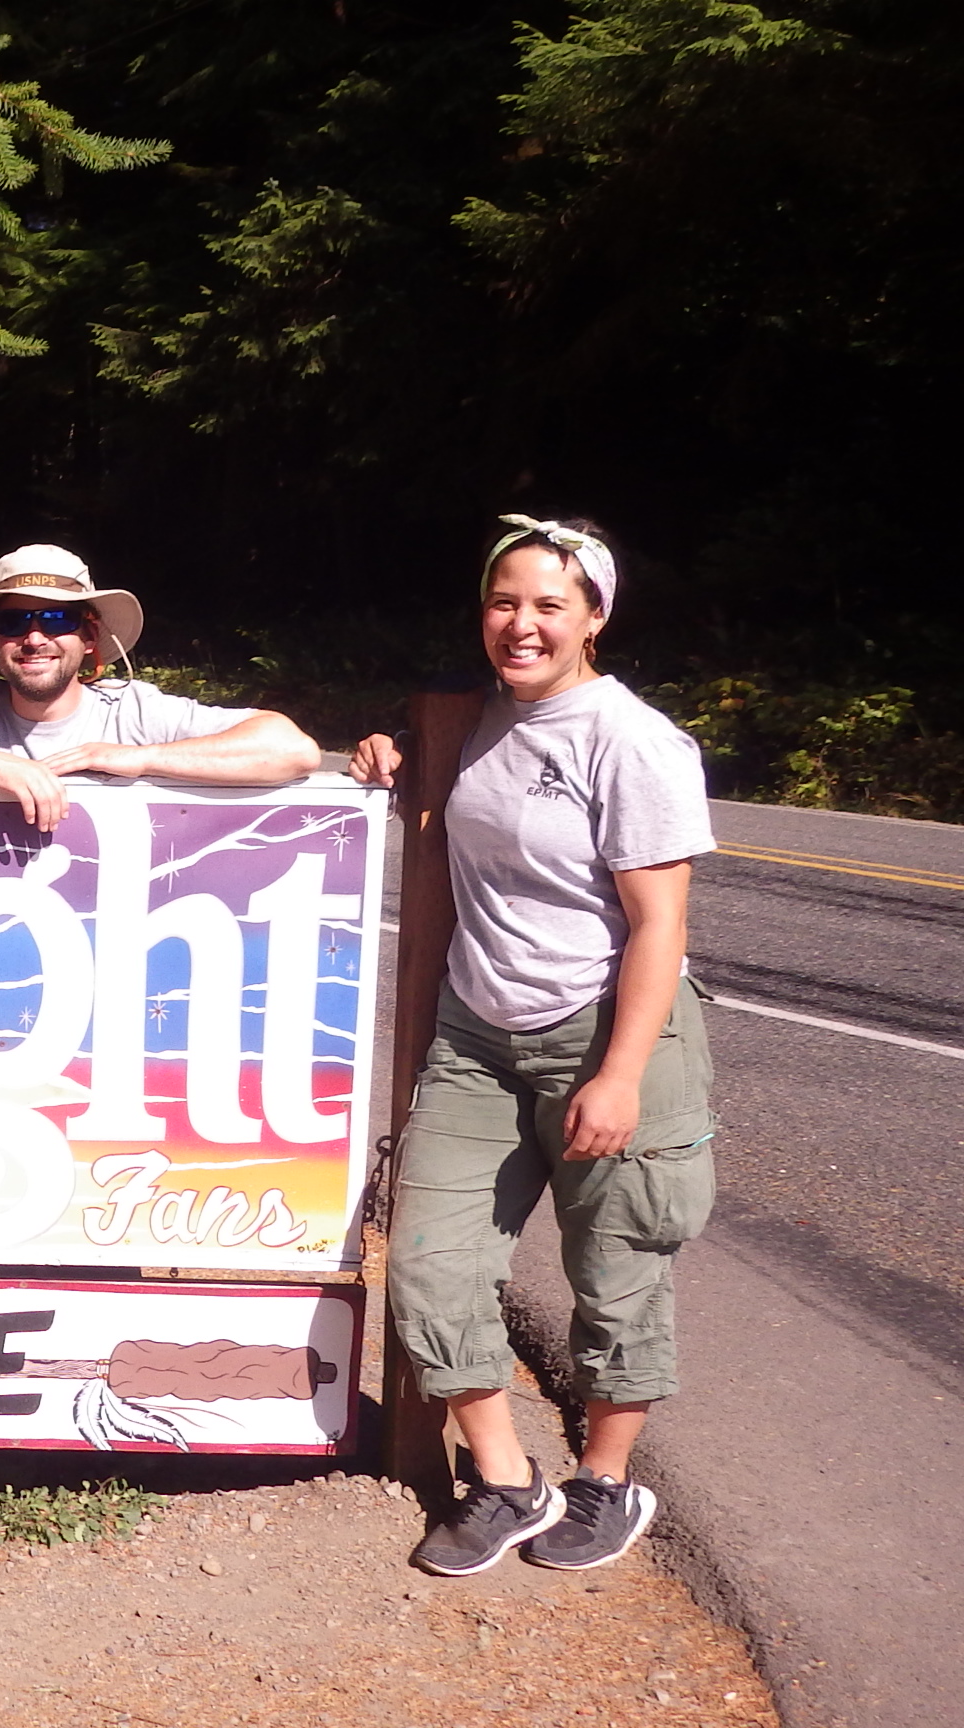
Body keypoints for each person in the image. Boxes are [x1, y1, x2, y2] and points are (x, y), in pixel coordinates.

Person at [349, 516, 716, 1576]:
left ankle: (607, 1480)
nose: (522, 625)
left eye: (550, 605)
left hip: (609, 1031)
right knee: (425, 1263)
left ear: (595, 617)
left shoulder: (633, 740)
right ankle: (510, 1480)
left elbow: (660, 925)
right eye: (505, 602)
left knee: (617, 1274)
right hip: (477, 1035)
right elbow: (443, 789)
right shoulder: (474, 720)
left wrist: (617, 1073)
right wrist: (394, 751)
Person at [0, 542, 319, 822]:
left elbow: (291, 750)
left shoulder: (134, 712)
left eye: (56, 620)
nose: (34, 638)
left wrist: (135, 758)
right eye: (13, 623)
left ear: (89, 635)